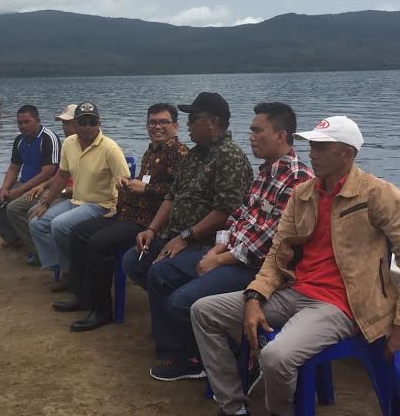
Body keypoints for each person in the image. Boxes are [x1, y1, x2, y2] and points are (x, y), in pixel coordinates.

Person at [185, 116, 400, 416]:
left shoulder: (378, 194)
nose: (312, 153)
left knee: (275, 355)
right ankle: (234, 414)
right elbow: (277, 254)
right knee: (204, 311)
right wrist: (254, 295)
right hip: (295, 292)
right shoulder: (303, 195)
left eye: (322, 147)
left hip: (342, 305)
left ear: (347, 153)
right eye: (311, 145)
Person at [146, 102, 313, 381]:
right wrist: (216, 249)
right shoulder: (265, 173)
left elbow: (269, 241)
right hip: (231, 256)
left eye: (257, 131)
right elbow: (238, 217)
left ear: (280, 136)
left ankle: (239, 362)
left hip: (259, 269)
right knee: (160, 273)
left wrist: (219, 259)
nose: (251, 137)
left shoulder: (298, 180)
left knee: (180, 302)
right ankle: (185, 353)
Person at [122, 92, 253, 379]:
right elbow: (172, 196)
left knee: (161, 273)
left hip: (209, 244)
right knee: (134, 260)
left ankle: (184, 356)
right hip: (178, 235)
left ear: (213, 122)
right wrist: (151, 229)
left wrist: (184, 237)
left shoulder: (229, 157)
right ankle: (177, 326)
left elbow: (226, 210)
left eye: (194, 118)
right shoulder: (194, 155)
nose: (189, 125)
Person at [53, 103, 189, 331]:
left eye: (163, 122)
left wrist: (145, 189)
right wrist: (127, 183)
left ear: (175, 125)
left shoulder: (180, 153)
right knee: (79, 232)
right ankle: (83, 296)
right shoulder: (152, 151)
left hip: (150, 220)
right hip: (130, 212)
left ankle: (101, 310)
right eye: (152, 122)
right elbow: (146, 184)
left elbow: (180, 194)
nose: (157, 127)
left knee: (99, 242)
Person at [29, 102, 130, 291]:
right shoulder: (69, 143)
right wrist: (46, 203)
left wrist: (122, 212)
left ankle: (70, 273)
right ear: (75, 124)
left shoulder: (110, 148)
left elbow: (125, 181)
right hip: (76, 201)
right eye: (82, 122)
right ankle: (62, 267)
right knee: (37, 223)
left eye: (92, 122)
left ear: (99, 123)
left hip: (102, 205)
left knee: (59, 225)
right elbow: (62, 177)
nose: (87, 127)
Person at [0, 105, 61, 248]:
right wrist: (5, 189)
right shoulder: (20, 140)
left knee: (13, 206)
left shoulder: (48, 138)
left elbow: (47, 173)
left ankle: (36, 244)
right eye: (20, 123)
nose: (23, 126)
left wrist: (19, 190)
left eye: (27, 122)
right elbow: (14, 168)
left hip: (45, 185)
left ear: (37, 120)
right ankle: (13, 238)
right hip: (24, 182)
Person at [7, 104, 77, 264]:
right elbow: (61, 175)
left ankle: (47, 255)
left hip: (73, 196)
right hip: (60, 191)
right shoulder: (69, 145)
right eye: (64, 123)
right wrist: (44, 186)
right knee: (8, 204)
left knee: (32, 212)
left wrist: (53, 193)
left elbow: (83, 186)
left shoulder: (93, 147)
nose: (66, 127)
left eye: (70, 123)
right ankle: (37, 249)